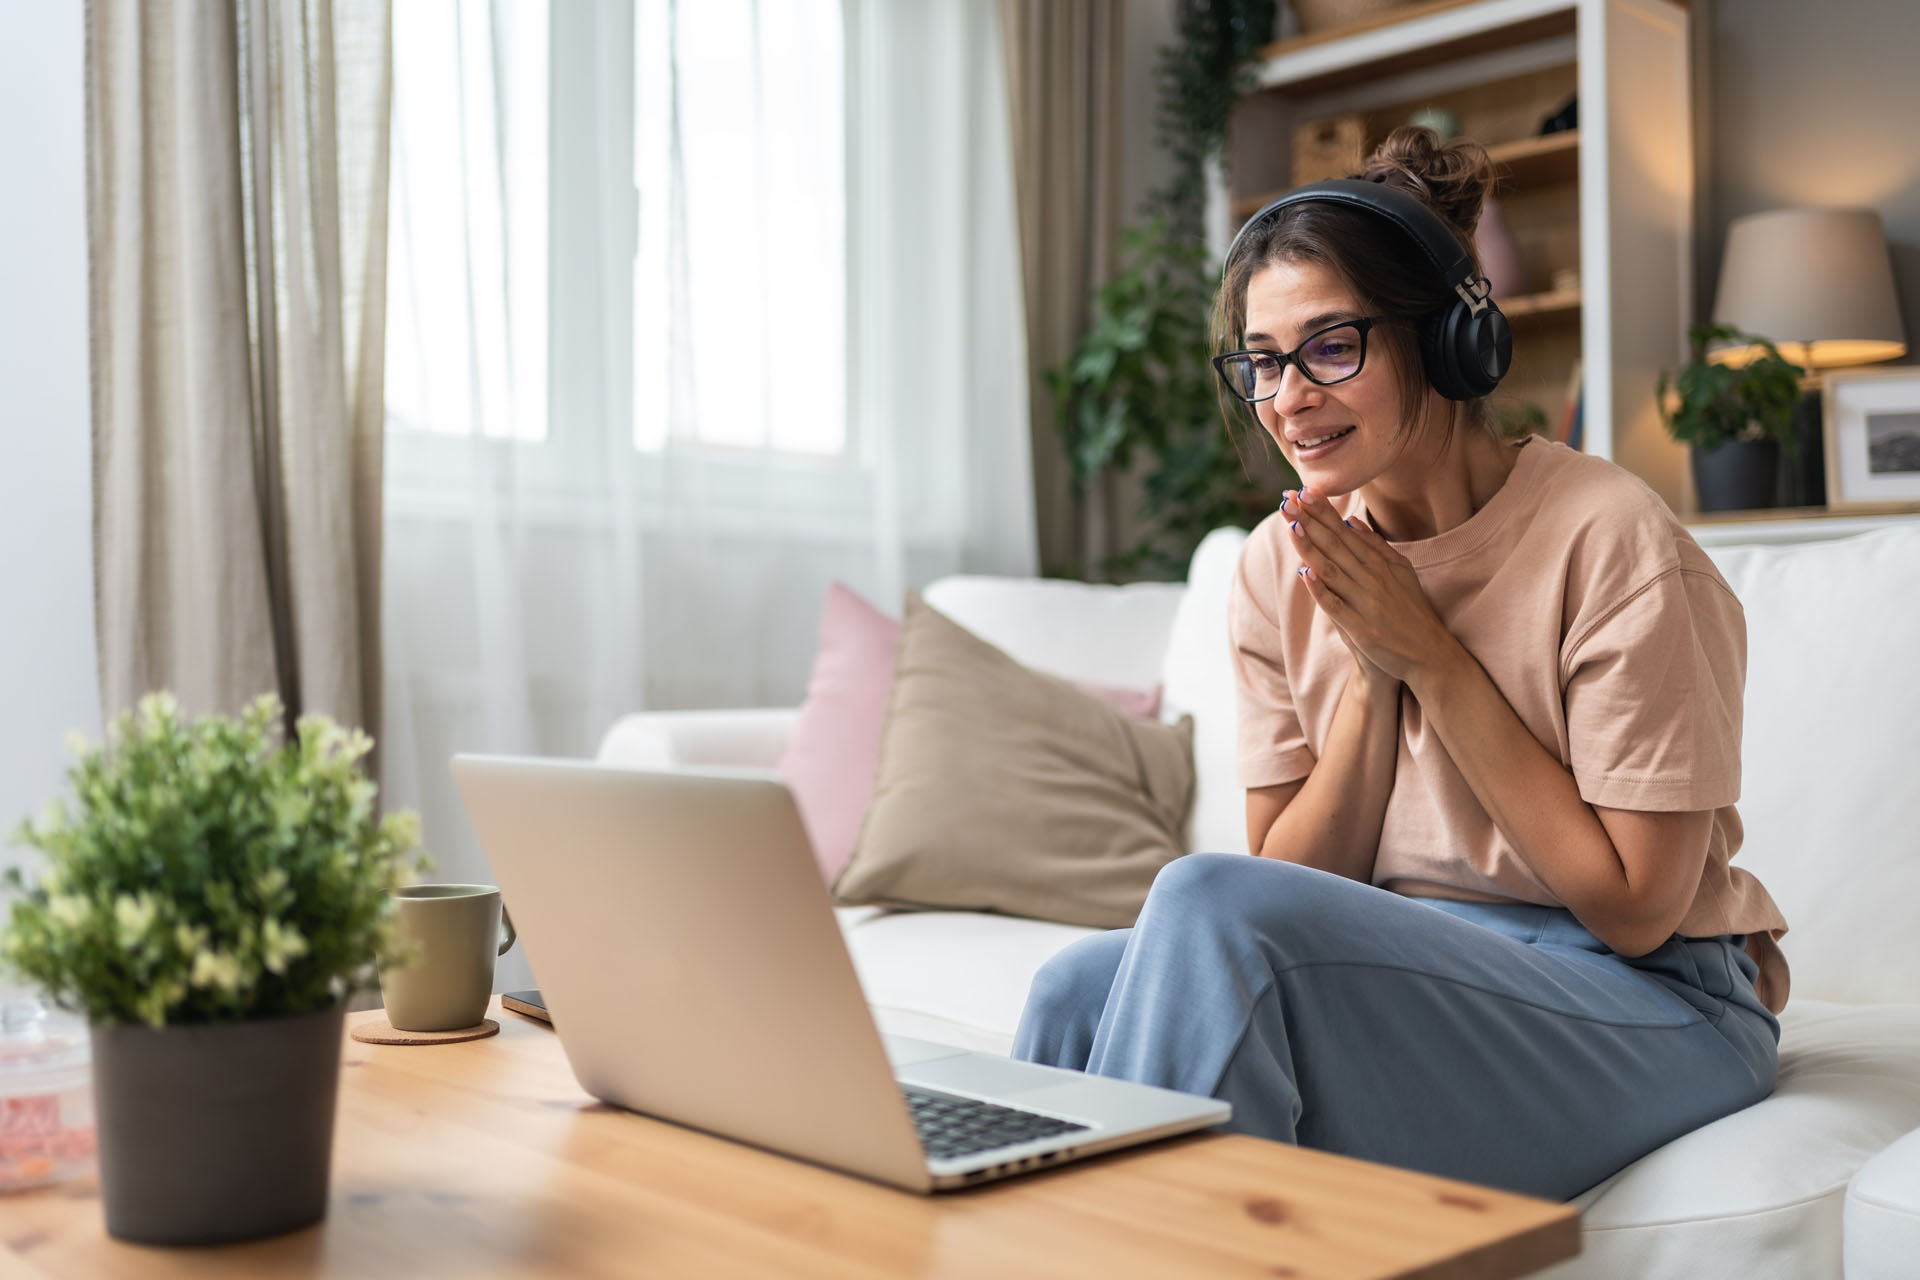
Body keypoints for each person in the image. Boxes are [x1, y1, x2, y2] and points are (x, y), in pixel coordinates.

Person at [1010, 127, 1789, 1201]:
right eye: (1264, 360)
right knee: (1075, 989)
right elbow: (1295, 886)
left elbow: (1635, 908)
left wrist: (1433, 658)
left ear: (1450, 340)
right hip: (1428, 960)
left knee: (1199, 902)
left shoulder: (1611, 538)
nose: (1288, 396)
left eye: (1333, 345)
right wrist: (1374, 666)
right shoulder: (1280, 566)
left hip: (1656, 999)